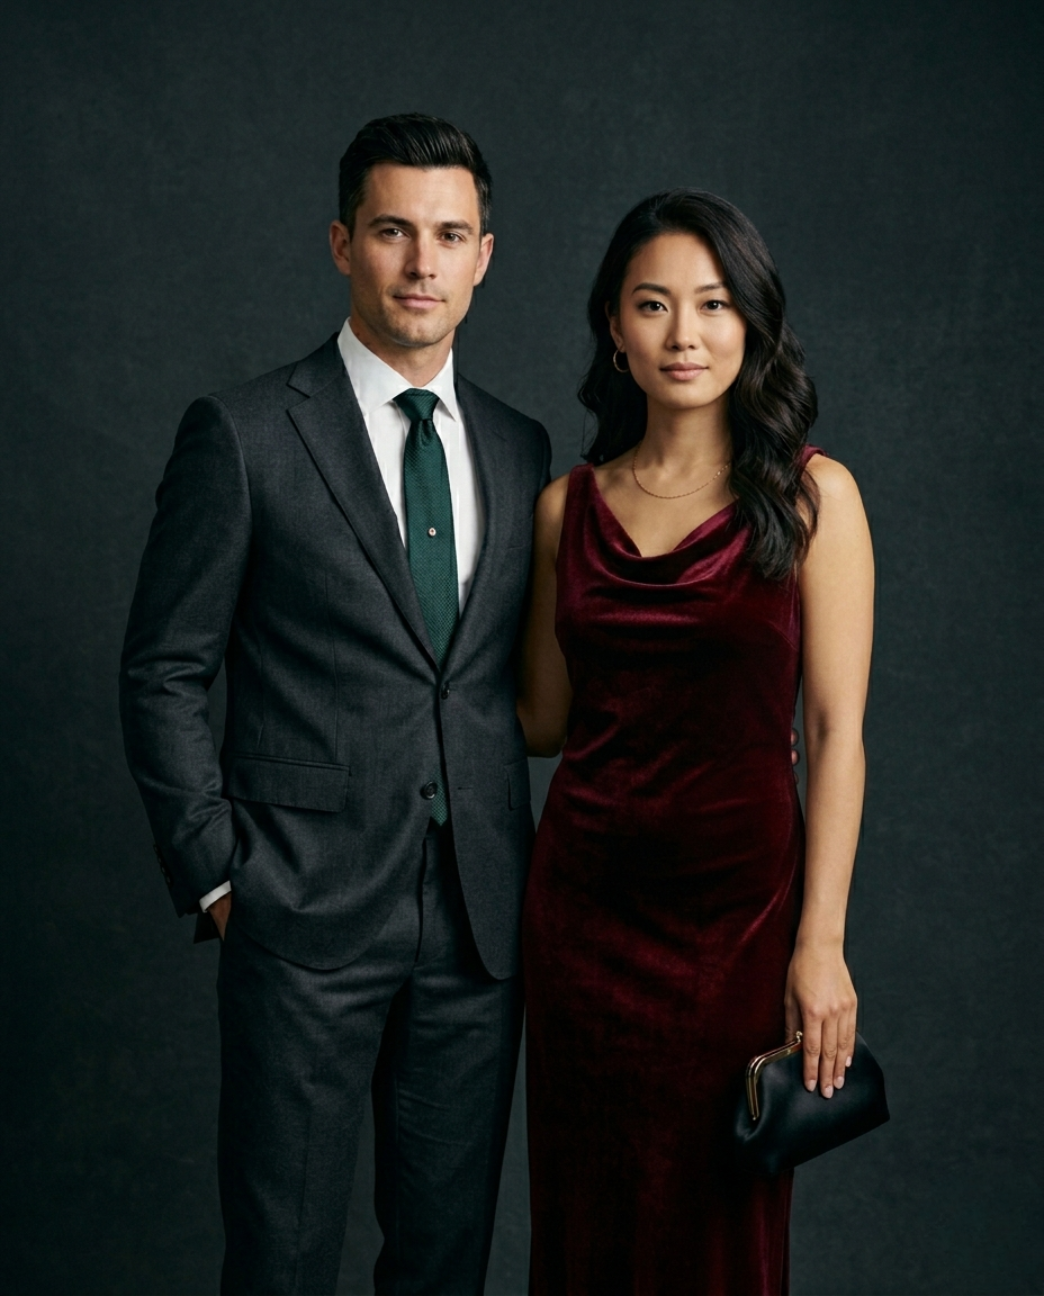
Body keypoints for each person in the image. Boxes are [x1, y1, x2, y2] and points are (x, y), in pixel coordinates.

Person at [120, 114, 550, 1295]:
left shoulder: (521, 448)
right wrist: (218, 876)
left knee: (443, 1263)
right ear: (341, 243)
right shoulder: (248, 434)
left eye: (449, 235)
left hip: (478, 926)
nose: (423, 263)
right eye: (395, 231)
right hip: (298, 914)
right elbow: (162, 667)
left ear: (485, 256)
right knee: (283, 1260)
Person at [517, 189, 874, 1294]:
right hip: (581, 926)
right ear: (614, 331)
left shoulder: (814, 498)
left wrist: (820, 945)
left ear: (752, 325)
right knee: (586, 1225)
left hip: (739, 931)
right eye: (654, 305)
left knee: (717, 1237)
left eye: (714, 305)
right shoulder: (563, 510)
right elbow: (539, 721)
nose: (684, 334)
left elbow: (837, 734)